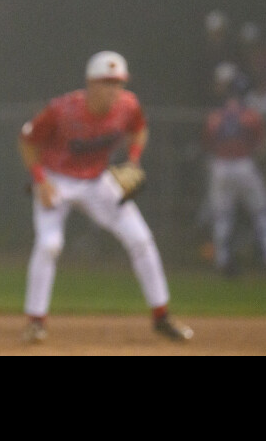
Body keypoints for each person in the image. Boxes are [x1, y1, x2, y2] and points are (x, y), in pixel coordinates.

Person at [17, 50, 193, 344]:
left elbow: (139, 129)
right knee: (50, 245)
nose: (114, 89)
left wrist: (133, 161)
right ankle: (36, 322)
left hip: (99, 181)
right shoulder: (62, 110)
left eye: (119, 82)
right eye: (107, 82)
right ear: (91, 83)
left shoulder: (128, 106)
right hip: (57, 179)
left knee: (141, 239)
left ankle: (162, 316)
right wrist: (40, 181)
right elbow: (27, 141)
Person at [201, 63, 266, 277]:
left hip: (220, 166)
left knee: (222, 216)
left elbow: (207, 142)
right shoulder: (251, 115)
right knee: (262, 213)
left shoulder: (216, 115)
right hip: (244, 164)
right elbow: (262, 145)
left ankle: (222, 261)